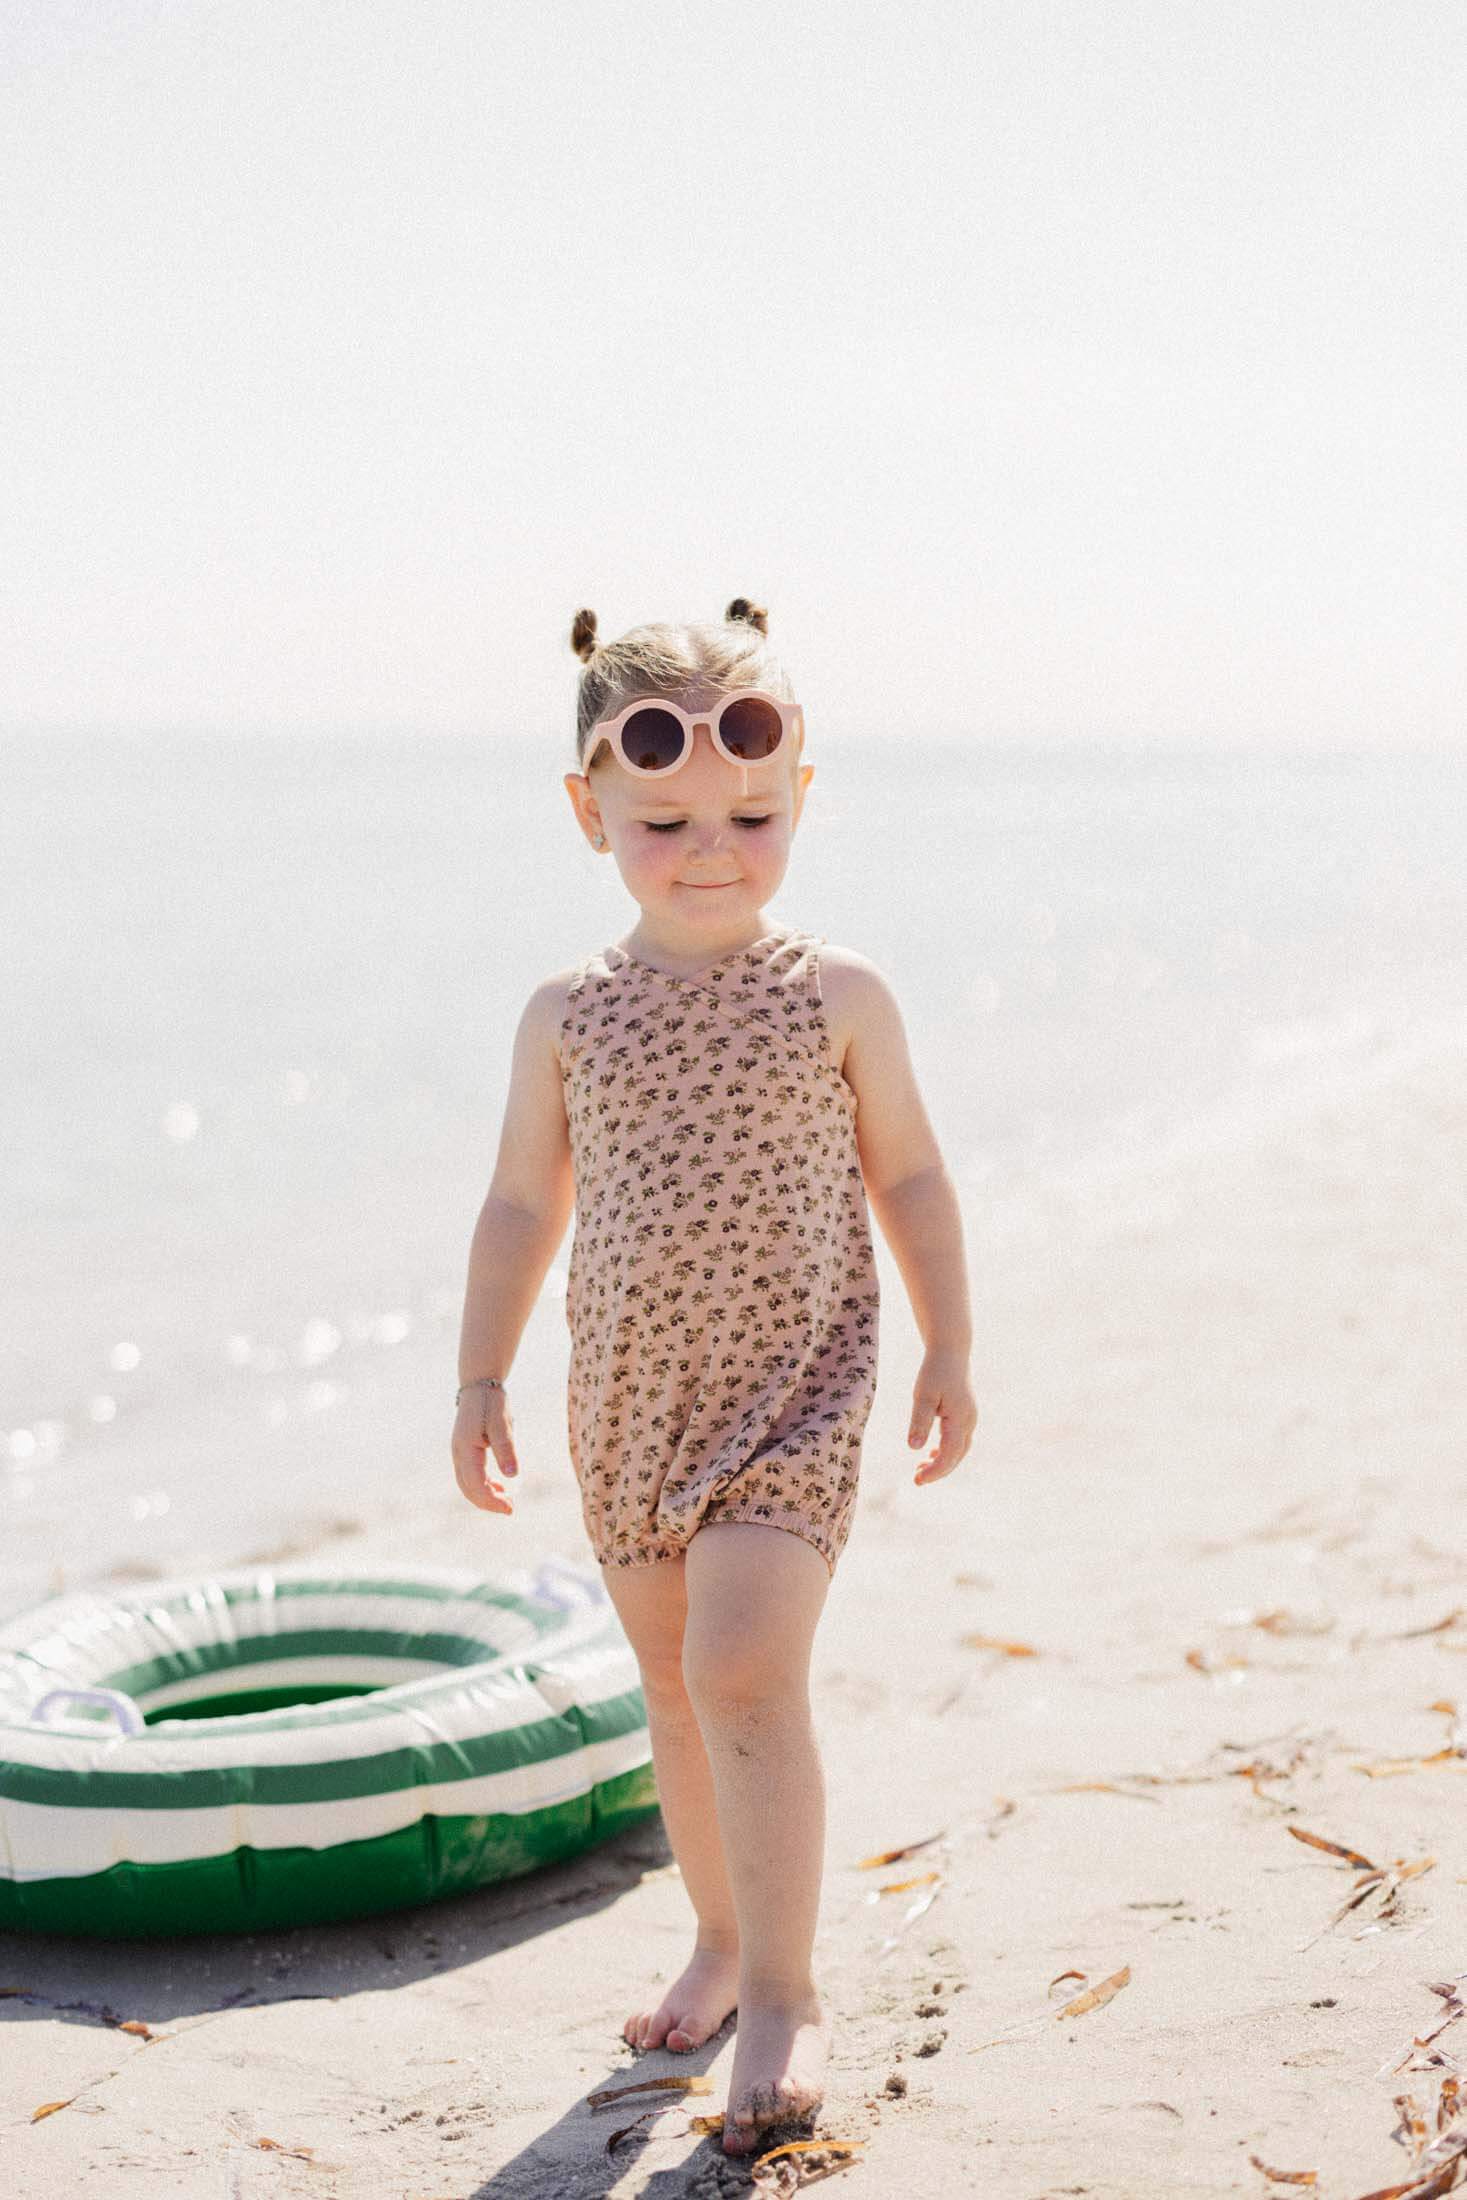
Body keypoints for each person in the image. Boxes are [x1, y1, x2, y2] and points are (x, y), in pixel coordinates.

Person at [452, 596, 978, 2157]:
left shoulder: (836, 994)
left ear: (800, 792)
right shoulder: (568, 1016)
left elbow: (913, 1175)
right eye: (663, 821)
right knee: (679, 1695)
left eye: (751, 816)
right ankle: (719, 1935)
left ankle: (786, 1993)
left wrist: (950, 1340)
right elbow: (521, 1204)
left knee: (744, 1670)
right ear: (589, 813)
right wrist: (480, 1378)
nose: (710, 851)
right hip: (629, 1406)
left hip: (795, 1396)